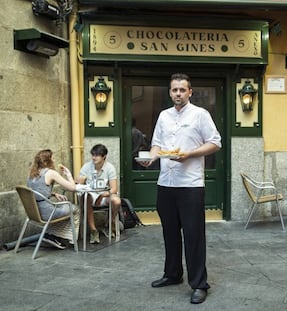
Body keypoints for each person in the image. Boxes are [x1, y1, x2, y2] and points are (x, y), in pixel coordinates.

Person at [138, 73, 221, 304]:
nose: (178, 93)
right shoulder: (163, 116)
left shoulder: (200, 115)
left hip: (190, 185)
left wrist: (190, 154)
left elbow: (215, 142)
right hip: (165, 183)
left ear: (190, 92)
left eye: (182, 90)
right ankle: (173, 274)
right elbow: (157, 144)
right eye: (174, 90)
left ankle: (199, 284)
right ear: (170, 92)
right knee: (169, 233)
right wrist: (150, 158)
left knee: (194, 236)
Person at [27, 149, 82, 249]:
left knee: (62, 207)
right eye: (53, 158)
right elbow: (73, 188)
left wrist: (53, 194)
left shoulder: (32, 173)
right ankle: (69, 240)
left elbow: (37, 191)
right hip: (47, 213)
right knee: (75, 209)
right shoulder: (51, 173)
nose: (55, 160)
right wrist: (68, 174)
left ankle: (51, 236)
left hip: (34, 212)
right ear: (48, 160)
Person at [77, 144, 122, 244]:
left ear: (104, 156)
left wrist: (102, 195)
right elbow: (78, 182)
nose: (94, 158)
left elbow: (114, 189)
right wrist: (80, 179)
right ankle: (93, 230)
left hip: (104, 194)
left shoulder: (110, 168)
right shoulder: (87, 166)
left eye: (97, 155)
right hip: (90, 195)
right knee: (86, 197)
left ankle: (110, 223)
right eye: (93, 155)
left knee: (117, 201)